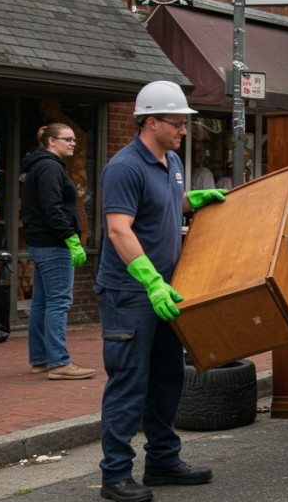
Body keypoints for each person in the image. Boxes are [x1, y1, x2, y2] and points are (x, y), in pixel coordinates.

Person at [95, 81, 227, 502]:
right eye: (177, 123)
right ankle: (115, 475)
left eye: (185, 123)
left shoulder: (170, 161)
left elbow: (166, 205)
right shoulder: (124, 167)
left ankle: (163, 461)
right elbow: (119, 229)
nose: (184, 130)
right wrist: (151, 281)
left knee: (168, 378)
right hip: (130, 294)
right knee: (129, 382)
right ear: (151, 122)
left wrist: (192, 200)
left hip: (168, 292)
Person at [22, 123, 95, 380]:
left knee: (42, 302)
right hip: (54, 244)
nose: (73, 143)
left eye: (74, 139)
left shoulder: (42, 165)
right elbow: (53, 208)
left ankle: (41, 359)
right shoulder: (50, 168)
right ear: (51, 141)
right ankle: (59, 362)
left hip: (42, 243)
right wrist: (71, 238)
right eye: (68, 139)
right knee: (58, 302)